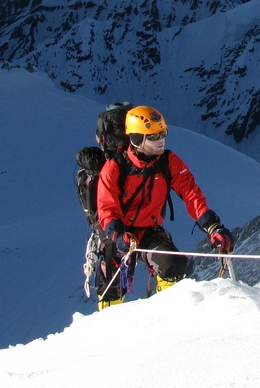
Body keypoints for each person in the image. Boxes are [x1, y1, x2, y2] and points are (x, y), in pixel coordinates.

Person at [94, 105, 234, 309]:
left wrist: (213, 226)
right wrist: (118, 236)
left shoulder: (169, 162)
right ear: (136, 139)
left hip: (148, 231)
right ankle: (109, 329)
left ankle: (165, 313)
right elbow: (107, 209)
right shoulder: (114, 167)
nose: (160, 139)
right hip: (117, 234)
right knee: (111, 288)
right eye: (153, 136)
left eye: (162, 133)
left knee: (173, 265)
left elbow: (191, 194)